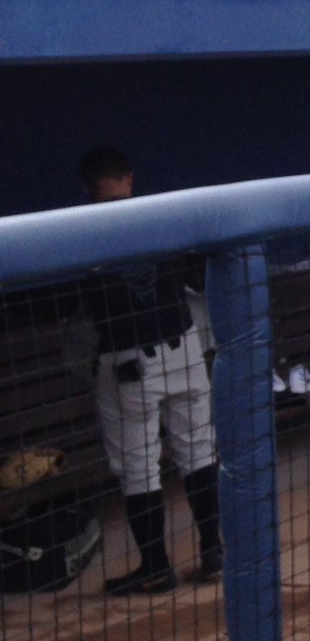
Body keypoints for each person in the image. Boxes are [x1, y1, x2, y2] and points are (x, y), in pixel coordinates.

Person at [69, 145, 221, 595]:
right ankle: (213, 552)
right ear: (129, 178)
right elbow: (199, 276)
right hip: (186, 351)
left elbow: (58, 307)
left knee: (139, 467)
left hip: (129, 365)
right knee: (199, 452)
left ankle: (155, 566)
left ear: (87, 188)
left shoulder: (80, 230)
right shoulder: (163, 217)